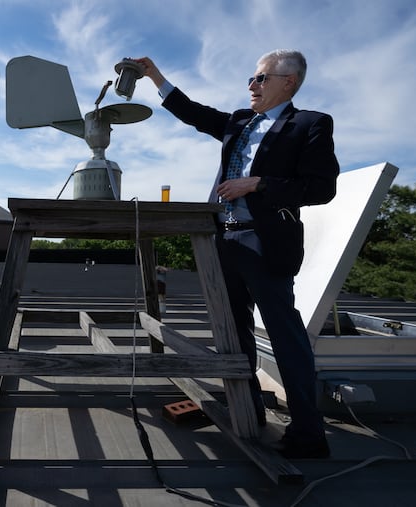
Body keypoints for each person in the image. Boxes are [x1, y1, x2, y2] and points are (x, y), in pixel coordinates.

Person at [137, 50, 339, 459]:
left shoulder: (310, 123)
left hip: (265, 244)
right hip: (223, 242)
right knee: (233, 336)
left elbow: (322, 188)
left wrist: (259, 184)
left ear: (289, 82)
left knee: (286, 337)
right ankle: (248, 412)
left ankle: (308, 433)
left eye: (261, 78)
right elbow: (194, 113)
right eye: (252, 78)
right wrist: (155, 76)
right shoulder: (239, 121)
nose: (251, 85)